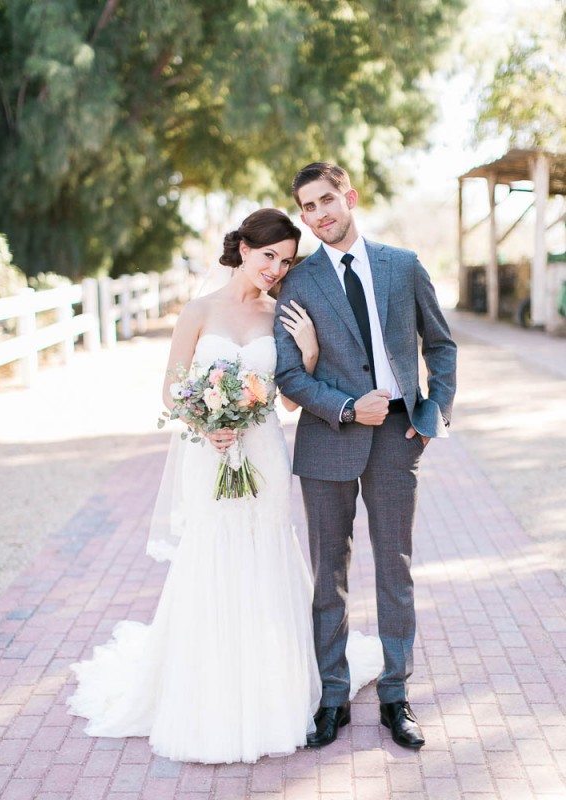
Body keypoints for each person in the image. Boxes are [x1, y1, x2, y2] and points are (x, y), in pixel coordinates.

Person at [67, 208, 382, 764]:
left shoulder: (282, 313)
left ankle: (272, 690)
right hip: (208, 454)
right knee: (212, 555)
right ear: (243, 249)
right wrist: (203, 421)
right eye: (269, 256)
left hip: (261, 451)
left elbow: (288, 399)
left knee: (264, 554)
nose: (275, 268)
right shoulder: (198, 310)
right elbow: (170, 386)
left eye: (285, 260)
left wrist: (307, 352)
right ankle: (208, 692)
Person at [274, 162, 457, 750]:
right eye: (308, 207)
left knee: (394, 570)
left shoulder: (401, 266)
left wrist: (431, 418)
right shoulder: (297, 281)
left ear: (349, 198)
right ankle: (333, 697)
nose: (320, 214)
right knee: (329, 576)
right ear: (302, 216)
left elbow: (441, 345)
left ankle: (396, 696)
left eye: (327, 200)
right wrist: (350, 407)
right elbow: (286, 375)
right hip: (328, 437)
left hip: (399, 440)